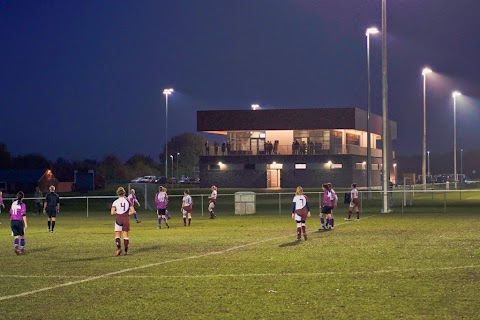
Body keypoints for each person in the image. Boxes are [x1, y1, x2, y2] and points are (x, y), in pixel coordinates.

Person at [111, 187, 134, 255]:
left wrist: (118, 212)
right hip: (126, 219)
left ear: (117, 194)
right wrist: (127, 214)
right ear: (124, 193)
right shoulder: (128, 201)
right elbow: (133, 211)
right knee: (125, 236)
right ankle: (126, 251)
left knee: (117, 235)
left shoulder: (115, 202)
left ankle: (118, 249)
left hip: (119, 218)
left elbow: (112, 212)